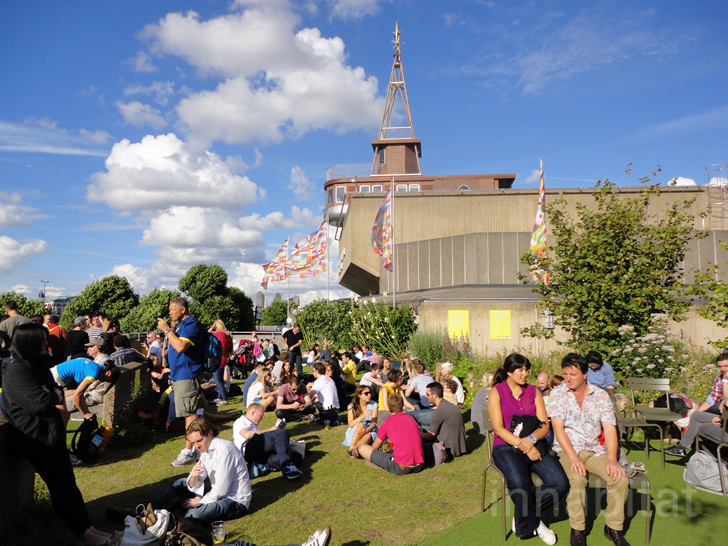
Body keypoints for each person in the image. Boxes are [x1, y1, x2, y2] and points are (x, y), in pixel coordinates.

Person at [0, 323, 110, 545]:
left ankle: (89, 528)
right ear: (28, 342)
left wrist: (53, 393)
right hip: (35, 437)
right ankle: (83, 535)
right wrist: (56, 395)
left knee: (69, 483)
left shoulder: (35, 364)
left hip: (50, 432)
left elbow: (51, 390)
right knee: (59, 486)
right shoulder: (16, 370)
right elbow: (37, 402)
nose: (46, 343)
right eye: (41, 339)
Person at [548, 353, 630, 546]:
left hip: (594, 450)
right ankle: (578, 530)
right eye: (565, 374)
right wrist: (573, 458)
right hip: (566, 450)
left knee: (620, 478)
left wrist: (612, 458)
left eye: (573, 374)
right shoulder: (558, 394)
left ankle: (614, 528)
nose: (568, 378)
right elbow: (558, 429)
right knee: (577, 479)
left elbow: (610, 428)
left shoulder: (600, 395)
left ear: (585, 374)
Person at [488, 353, 566, 544]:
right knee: (520, 482)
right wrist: (523, 444)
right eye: (520, 369)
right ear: (509, 372)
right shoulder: (496, 392)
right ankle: (536, 523)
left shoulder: (534, 391)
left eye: (526, 369)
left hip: (535, 443)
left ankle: (524, 517)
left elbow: (544, 425)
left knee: (560, 483)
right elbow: (498, 428)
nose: (525, 373)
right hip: (505, 447)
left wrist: (530, 440)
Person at [136, 419, 252, 525]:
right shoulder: (205, 448)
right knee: (180, 484)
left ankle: (158, 522)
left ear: (210, 434)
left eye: (199, 441)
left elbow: (222, 489)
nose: (197, 446)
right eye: (193, 443)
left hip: (235, 500)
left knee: (195, 514)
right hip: (218, 492)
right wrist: (194, 477)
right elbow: (195, 480)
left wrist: (201, 501)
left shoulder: (225, 450)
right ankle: (142, 511)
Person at [157, 297, 206, 468]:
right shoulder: (181, 326)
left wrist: (167, 330)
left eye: (172, 309)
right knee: (188, 414)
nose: (170, 312)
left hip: (187, 374)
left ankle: (190, 451)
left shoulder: (191, 325)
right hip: (180, 374)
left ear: (182, 309)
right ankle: (197, 449)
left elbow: (179, 347)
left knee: (190, 415)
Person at [357, 393, 424, 475]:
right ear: (402, 405)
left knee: (362, 448)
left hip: (401, 467)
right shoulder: (411, 419)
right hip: (419, 465)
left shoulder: (386, 423)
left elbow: (375, 446)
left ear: (388, 407)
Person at [233, 402, 304, 479]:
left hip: (258, 457)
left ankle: (261, 467)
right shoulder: (241, 421)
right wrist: (269, 430)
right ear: (253, 413)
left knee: (296, 457)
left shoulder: (254, 427)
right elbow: (246, 434)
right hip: (248, 448)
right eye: (260, 416)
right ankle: (287, 468)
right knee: (281, 433)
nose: (261, 419)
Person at [50, 357, 120, 426]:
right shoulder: (93, 374)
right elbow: (76, 396)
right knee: (63, 417)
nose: (104, 382)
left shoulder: (94, 366)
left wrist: (87, 412)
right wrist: (85, 413)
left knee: (64, 417)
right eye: (108, 380)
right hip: (53, 381)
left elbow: (81, 395)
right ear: (108, 373)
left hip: (52, 375)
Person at [420, 382, 467, 459]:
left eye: (428, 394)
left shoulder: (439, 411)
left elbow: (431, 435)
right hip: (460, 446)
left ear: (435, 395)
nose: (426, 396)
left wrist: (417, 436)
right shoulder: (450, 405)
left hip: (448, 449)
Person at [343, 385, 379, 458]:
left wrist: (367, 430)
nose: (369, 395)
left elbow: (374, 423)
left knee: (368, 435)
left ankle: (354, 450)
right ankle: (352, 447)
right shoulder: (351, 406)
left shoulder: (374, 405)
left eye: (370, 393)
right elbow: (351, 424)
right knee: (361, 424)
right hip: (356, 429)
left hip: (369, 428)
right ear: (359, 395)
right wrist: (363, 416)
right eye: (366, 393)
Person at [209, 320, 234, 406]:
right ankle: (219, 397)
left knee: (217, 380)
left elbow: (205, 335)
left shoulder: (216, 334)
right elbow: (231, 350)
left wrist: (211, 328)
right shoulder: (228, 336)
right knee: (220, 379)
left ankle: (224, 399)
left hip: (217, 358)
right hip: (224, 358)